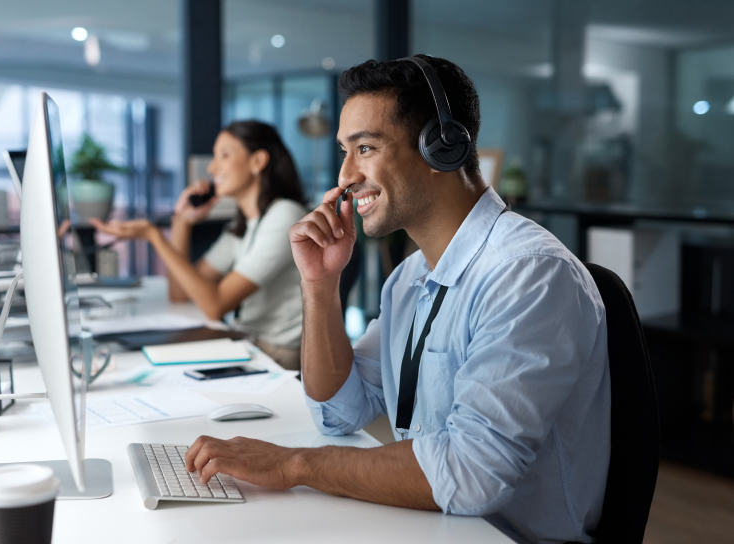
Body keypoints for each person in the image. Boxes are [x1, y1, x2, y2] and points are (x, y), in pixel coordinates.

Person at [183, 56, 610, 544]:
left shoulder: (528, 274)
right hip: (428, 522)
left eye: (365, 148)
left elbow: (472, 474)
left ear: (441, 148)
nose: (344, 175)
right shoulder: (410, 277)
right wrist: (320, 286)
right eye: (344, 150)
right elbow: (338, 412)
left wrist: (292, 464)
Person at [91, 120, 308, 370]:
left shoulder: (284, 216)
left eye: (224, 156)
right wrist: (182, 223)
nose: (213, 168)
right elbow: (180, 293)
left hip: (276, 354)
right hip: (249, 342)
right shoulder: (244, 224)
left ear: (257, 162)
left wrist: (154, 235)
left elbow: (214, 305)